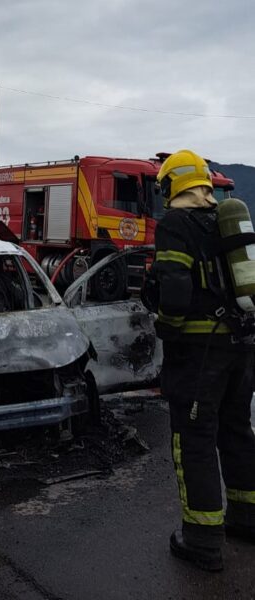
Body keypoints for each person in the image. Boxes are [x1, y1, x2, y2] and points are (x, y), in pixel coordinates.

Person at [151, 149, 255, 572]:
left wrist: (165, 327)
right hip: (242, 348)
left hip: (200, 353)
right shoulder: (225, 223)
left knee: (193, 440)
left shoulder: (175, 224)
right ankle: (247, 519)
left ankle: (202, 540)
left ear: (172, 185)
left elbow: (175, 290)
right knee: (236, 430)